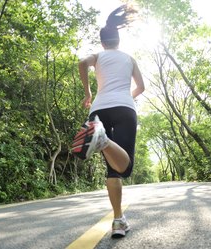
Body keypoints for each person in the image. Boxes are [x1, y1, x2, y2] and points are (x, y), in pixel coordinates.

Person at [71, 5, 145, 238]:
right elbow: (141, 87)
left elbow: (82, 62)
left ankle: (118, 221)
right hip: (124, 109)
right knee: (125, 167)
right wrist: (127, 98)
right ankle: (101, 138)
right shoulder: (129, 58)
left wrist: (88, 93)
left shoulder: (99, 56)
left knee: (113, 169)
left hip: (98, 113)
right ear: (118, 41)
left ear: (103, 42)